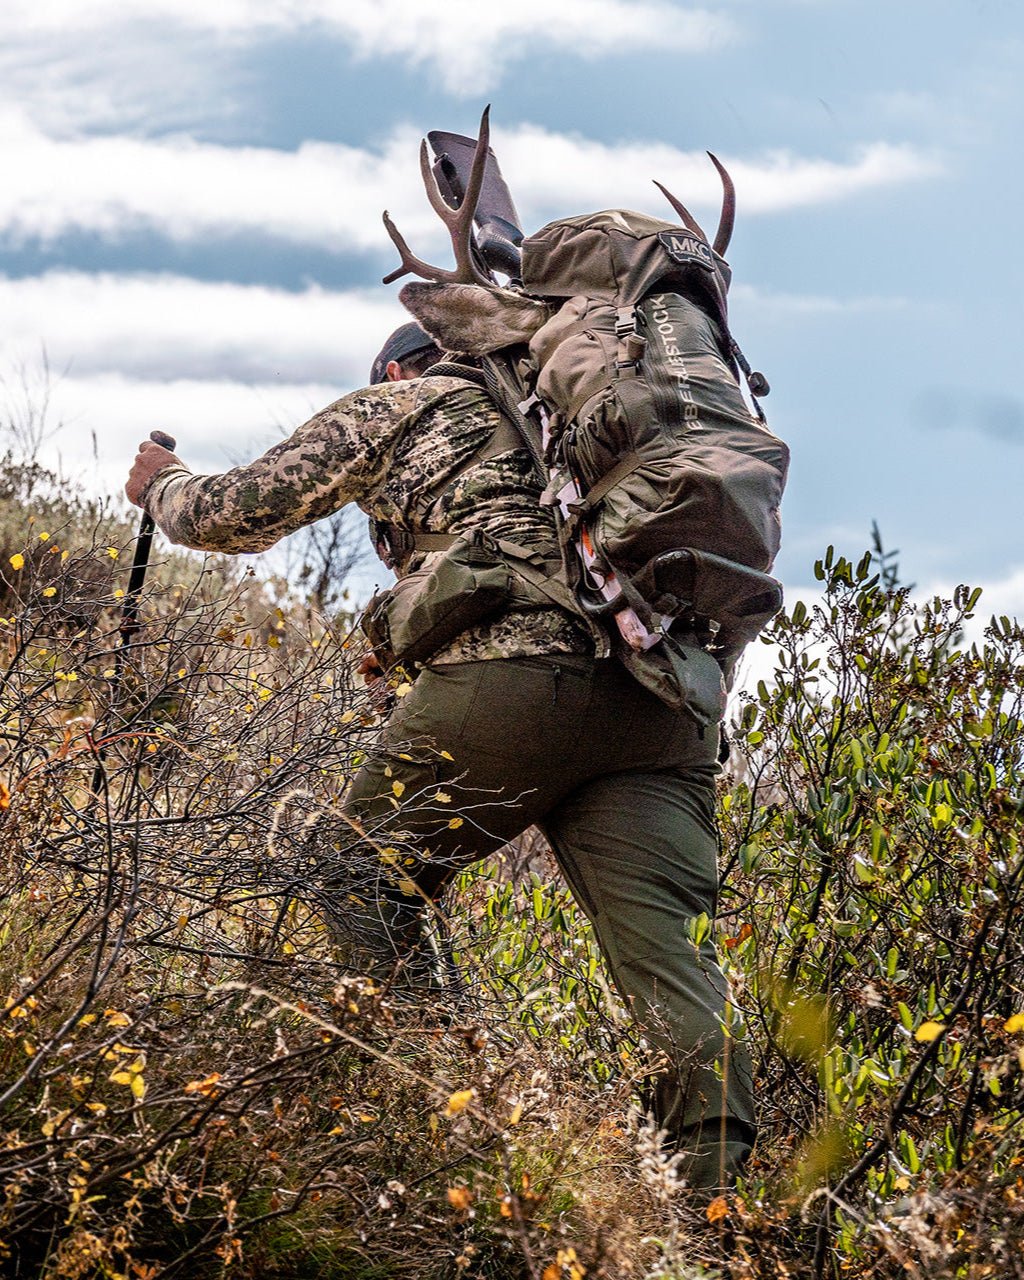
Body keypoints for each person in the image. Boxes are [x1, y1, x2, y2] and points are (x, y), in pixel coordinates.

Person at [125, 321, 756, 1191]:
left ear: (396, 369)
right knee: (671, 959)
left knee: (352, 872)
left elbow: (231, 512)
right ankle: (714, 1196)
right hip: (662, 704)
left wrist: (163, 486)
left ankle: (447, 1115)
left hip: (517, 680)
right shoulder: (589, 427)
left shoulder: (407, 405)